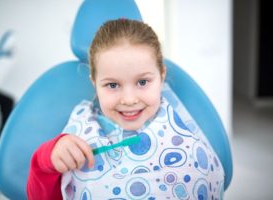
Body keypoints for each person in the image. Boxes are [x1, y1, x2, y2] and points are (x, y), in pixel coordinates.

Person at [27, 19, 224, 199]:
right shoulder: (79, 132)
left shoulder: (181, 129)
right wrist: (48, 160)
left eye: (142, 82)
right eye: (112, 85)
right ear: (94, 82)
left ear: (161, 76)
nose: (129, 100)